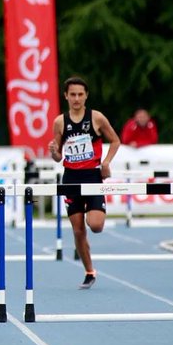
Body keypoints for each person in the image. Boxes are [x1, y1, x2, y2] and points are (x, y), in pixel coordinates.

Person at [47, 77, 120, 290]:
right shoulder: (60, 122)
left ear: (86, 95)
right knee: (78, 230)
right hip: (71, 178)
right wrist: (53, 152)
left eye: (80, 94)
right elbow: (58, 157)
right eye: (73, 94)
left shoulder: (96, 118)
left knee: (95, 225)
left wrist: (106, 162)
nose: (77, 98)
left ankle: (93, 212)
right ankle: (89, 272)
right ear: (66, 96)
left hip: (92, 177)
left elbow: (115, 140)